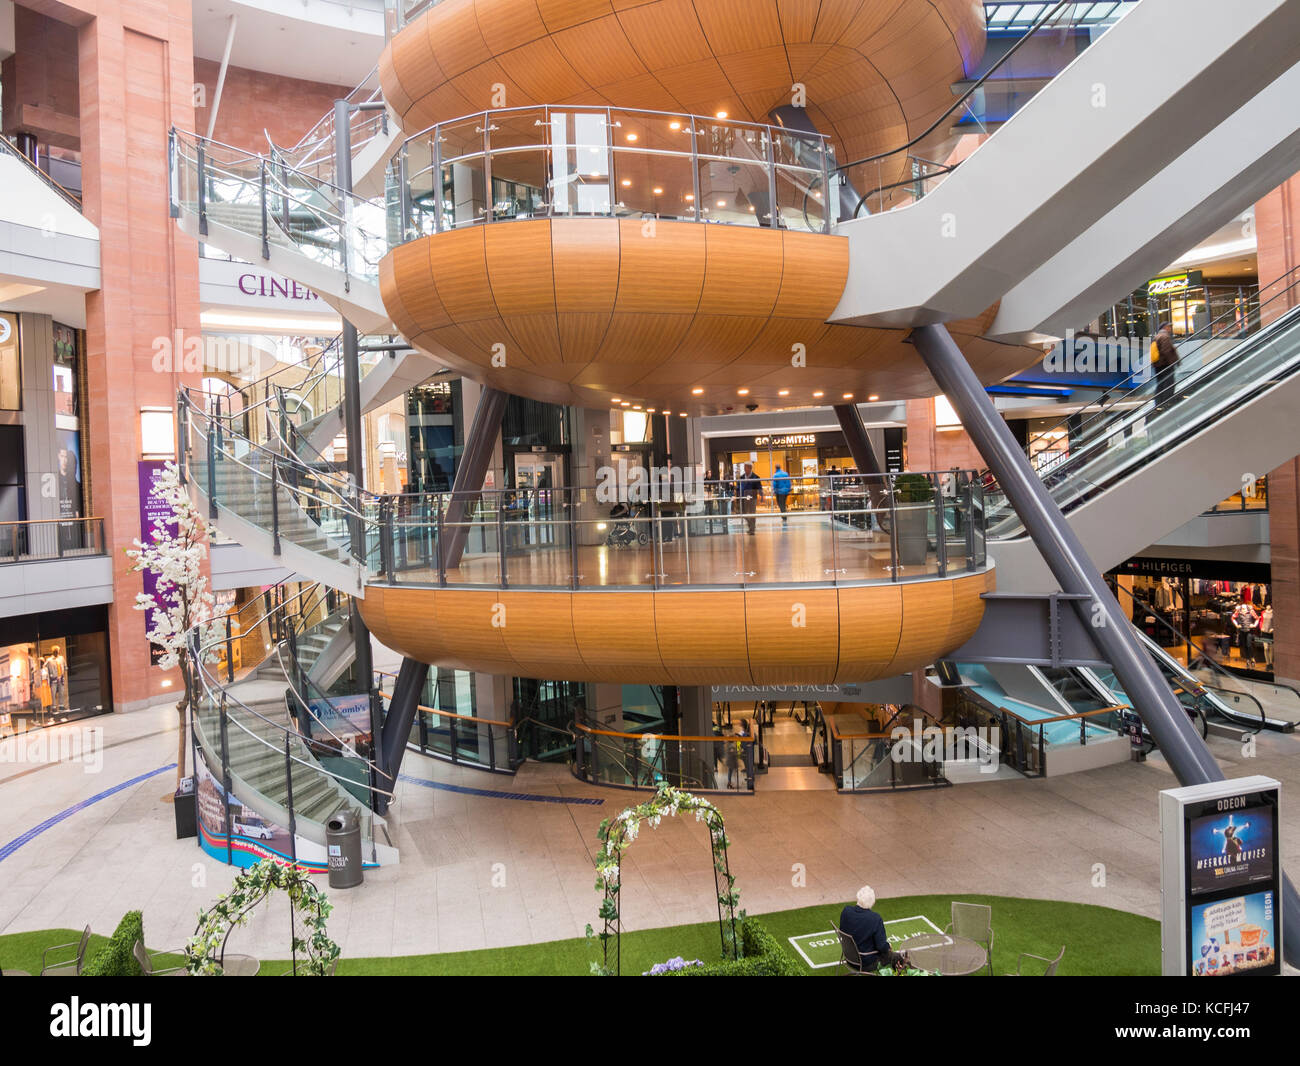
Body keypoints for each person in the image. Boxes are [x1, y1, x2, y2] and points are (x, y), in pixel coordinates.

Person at [838, 885, 896, 972]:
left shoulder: (846, 911)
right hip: (867, 963)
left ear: (858, 897)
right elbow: (881, 946)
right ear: (873, 902)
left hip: (848, 957)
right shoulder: (875, 918)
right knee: (897, 957)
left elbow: (842, 930)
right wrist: (888, 946)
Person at [1150, 322, 1182, 413]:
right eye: (1169, 327)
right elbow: (1166, 351)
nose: (1170, 328)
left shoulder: (1157, 337)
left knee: (1160, 384)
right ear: (1165, 327)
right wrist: (1175, 362)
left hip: (1158, 365)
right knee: (1169, 383)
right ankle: (1167, 402)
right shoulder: (1165, 337)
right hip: (1165, 365)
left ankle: (1159, 403)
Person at [1231, 600, 1260, 667]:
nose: (1243, 609)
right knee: (1244, 645)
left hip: (1249, 630)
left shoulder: (1250, 610)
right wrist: (1236, 625)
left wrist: (1254, 625)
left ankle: (1252, 658)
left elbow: (1257, 618)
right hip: (1242, 630)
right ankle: (1247, 659)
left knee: (1249, 645)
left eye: (1244, 607)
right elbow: (1233, 618)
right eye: (1242, 607)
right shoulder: (1238, 610)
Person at [737, 463, 762, 535]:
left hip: (752, 497)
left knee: (752, 513)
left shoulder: (756, 477)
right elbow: (739, 487)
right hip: (743, 497)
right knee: (743, 513)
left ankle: (752, 529)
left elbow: (759, 487)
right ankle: (751, 525)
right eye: (744, 467)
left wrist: (761, 495)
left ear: (750, 468)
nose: (744, 469)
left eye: (746, 467)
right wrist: (738, 494)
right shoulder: (741, 477)